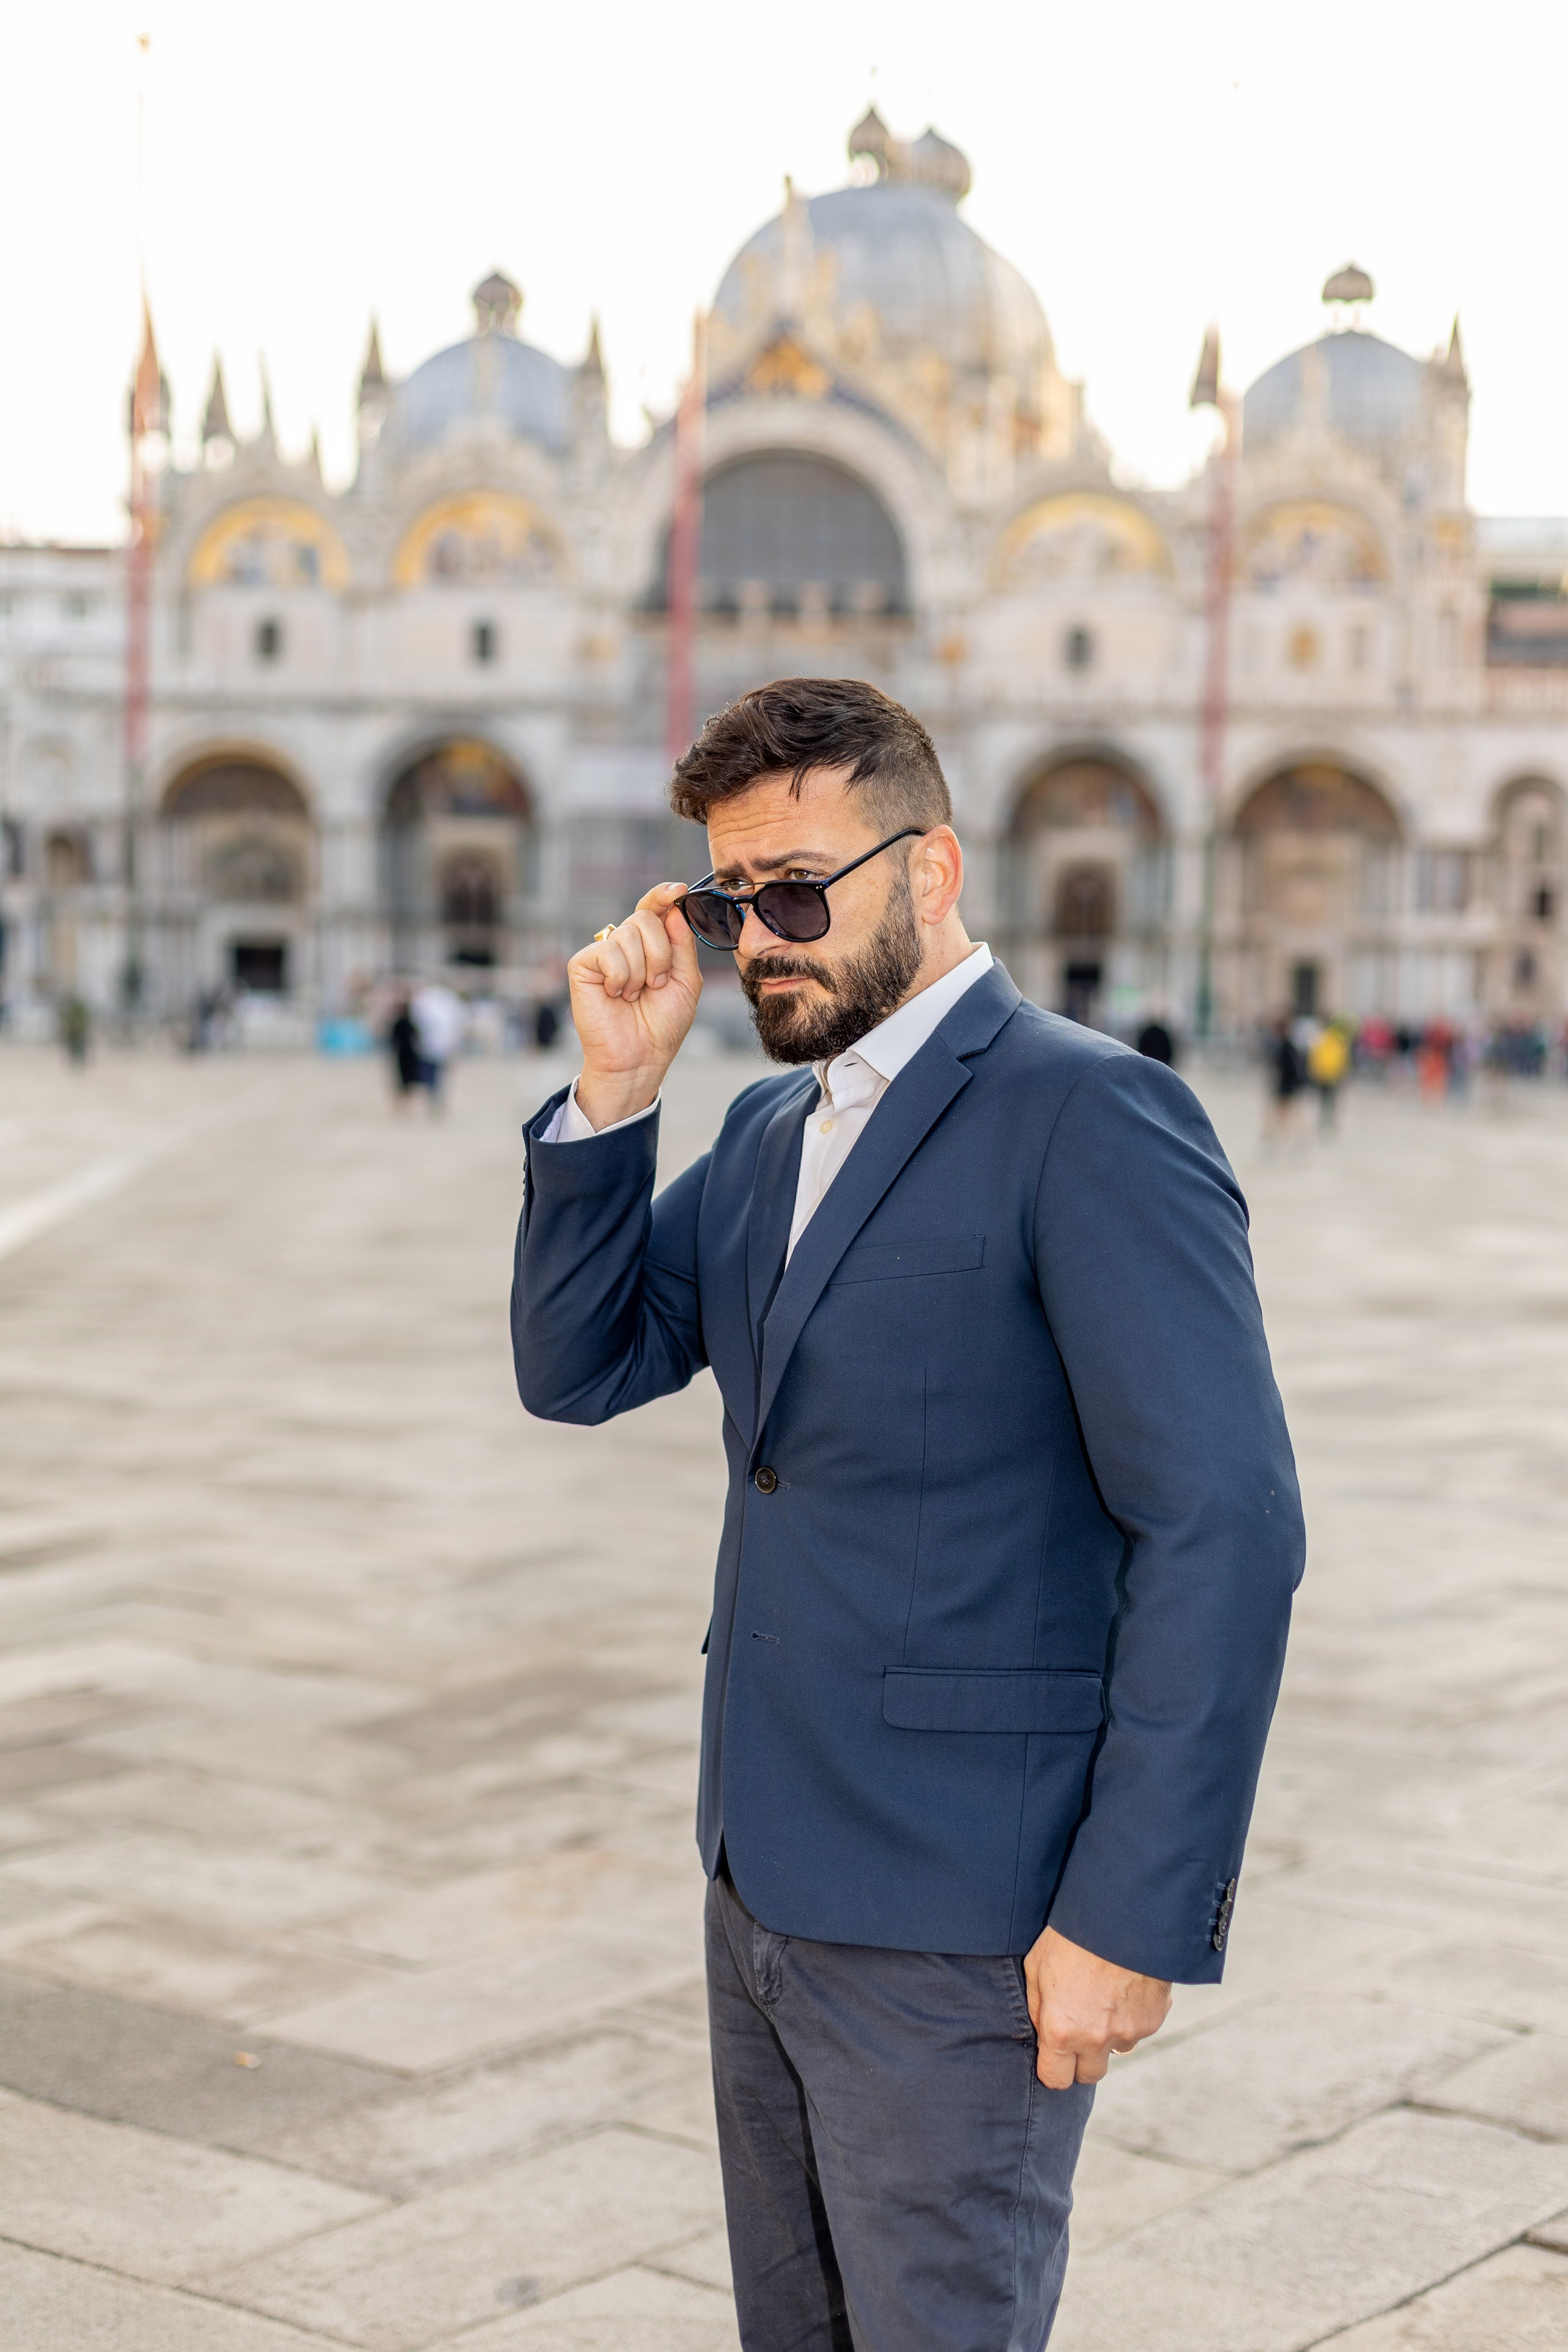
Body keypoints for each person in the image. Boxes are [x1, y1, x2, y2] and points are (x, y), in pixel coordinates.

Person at [511, 678, 1304, 2352]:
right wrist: (613, 1097)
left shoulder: (1091, 1115)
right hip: (761, 1884)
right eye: (731, 903)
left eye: (797, 890)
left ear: (932, 871)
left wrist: (1128, 1913)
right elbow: (579, 1367)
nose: (760, 940)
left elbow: (1223, 1526)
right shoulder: (757, 1126)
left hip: (970, 1926)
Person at [410, 979, 465, 1110]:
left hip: (436, 1043)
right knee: (435, 1072)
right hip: (435, 1043)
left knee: (436, 1072)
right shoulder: (444, 1000)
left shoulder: (429, 999)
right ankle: (434, 1095)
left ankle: (435, 1095)